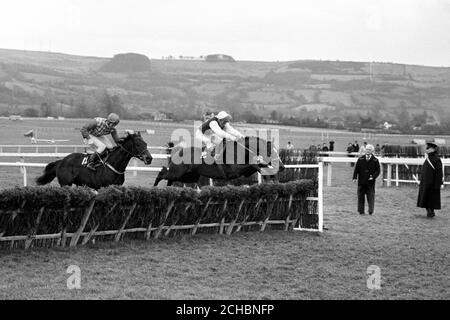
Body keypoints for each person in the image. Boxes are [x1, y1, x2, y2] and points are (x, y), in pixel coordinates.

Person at [417, 141, 443, 218]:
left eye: (428, 148)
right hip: (426, 182)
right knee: (425, 198)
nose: (426, 149)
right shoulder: (428, 158)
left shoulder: (436, 159)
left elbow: (439, 173)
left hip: (432, 183)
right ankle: (429, 212)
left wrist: (437, 184)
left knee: (430, 199)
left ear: (433, 149)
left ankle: (431, 212)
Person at [352, 144, 381, 215]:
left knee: (370, 197)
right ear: (365, 150)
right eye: (367, 149)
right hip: (361, 182)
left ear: (372, 151)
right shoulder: (360, 159)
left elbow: (378, 171)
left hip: (370, 183)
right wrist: (354, 177)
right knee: (360, 197)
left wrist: (373, 177)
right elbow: (356, 169)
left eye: (369, 150)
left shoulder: (375, 160)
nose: (368, 151)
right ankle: (361, 211)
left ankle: (371, 211)